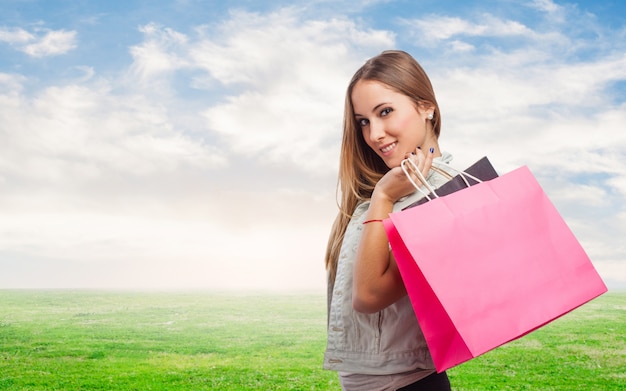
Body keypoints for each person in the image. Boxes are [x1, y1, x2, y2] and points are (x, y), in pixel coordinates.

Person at [323, 50, 455, 390]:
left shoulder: (439, 194)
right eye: (363, 121)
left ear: (427, 107)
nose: (374, 134)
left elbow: (369, 296)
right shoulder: (390, 185)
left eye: (385, 112)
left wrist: (383, 198)